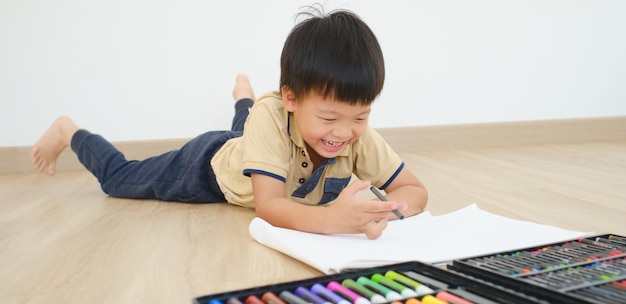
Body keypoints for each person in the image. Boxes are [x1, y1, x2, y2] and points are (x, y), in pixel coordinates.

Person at [31, 7, 428, 240]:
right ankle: (68, 130)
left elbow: (413, 189)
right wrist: (332, 220)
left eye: (360, 116)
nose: (345, 132)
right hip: (208, 167)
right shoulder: (272, 120)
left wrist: (386, 213)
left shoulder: (354, 136)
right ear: (291, 98)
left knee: (251, 126)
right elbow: (269, 205)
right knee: (120, 179)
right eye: (329, 118)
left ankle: (244, 96)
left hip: (255, 143)